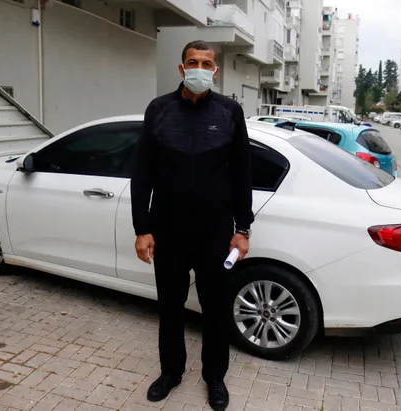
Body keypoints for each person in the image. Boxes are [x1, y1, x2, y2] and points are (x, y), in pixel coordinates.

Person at [130, 40, 254, 411]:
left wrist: (242, 229)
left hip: (215, 231)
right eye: (192, 62)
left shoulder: (230, 111)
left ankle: (215, 377)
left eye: (206, 63)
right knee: (170, 306)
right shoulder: (159, 109)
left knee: (215, 308)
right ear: (182, 68)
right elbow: (142, 173)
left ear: (215, 70)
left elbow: (242, 173)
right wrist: (142, 229)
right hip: (168, 229)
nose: (199, 68)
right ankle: (171, 372)